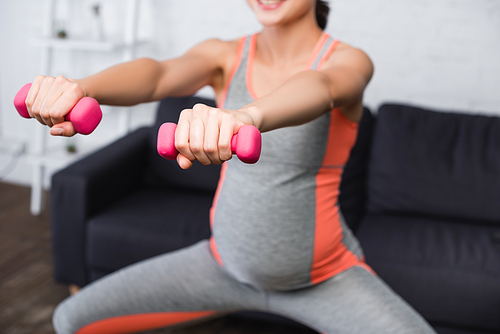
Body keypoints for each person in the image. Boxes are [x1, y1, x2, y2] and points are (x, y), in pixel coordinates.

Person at [25, 1, 436, 333]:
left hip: (325, 277)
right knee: (71, 319)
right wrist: (81, 88)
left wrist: (246, 117)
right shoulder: (225, 56)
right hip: (221, 264)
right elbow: (158, 75)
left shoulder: (348, 61)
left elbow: (322, 87)